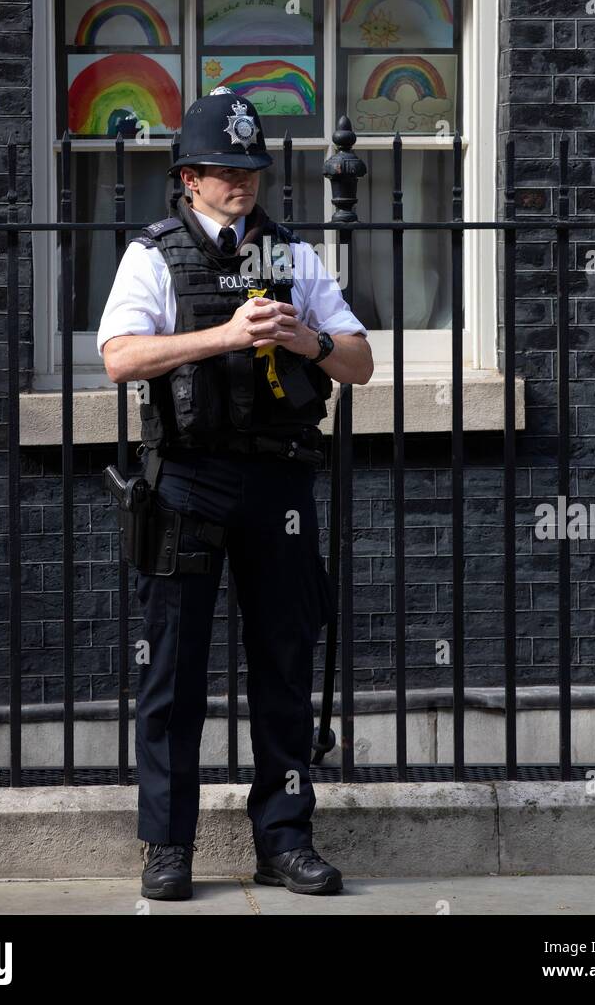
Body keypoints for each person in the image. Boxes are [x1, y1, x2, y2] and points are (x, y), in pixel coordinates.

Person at [97, 87, 373, 900]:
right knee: (173, 674)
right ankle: (167, 846)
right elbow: (118, 357)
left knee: (284, 666)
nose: (240, 184)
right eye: (223, 170)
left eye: (249, 169)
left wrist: (309, 338)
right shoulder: (154, 253)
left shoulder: (291, 254)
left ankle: (284, 841)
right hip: (186, 478)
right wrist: (222, 336)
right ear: (189, 177)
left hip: (279, 476)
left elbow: (359, 363)